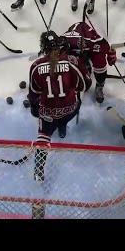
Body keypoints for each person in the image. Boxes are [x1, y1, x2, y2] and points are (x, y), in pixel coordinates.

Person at [28, 31, 91, 180]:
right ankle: (62, 126)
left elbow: (33, 94)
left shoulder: (36, 66)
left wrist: (34, 108)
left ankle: (38, 170)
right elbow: (85, 86)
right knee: (74, 104)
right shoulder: (72, 61)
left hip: (48, 113)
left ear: (43, 47)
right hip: (70, 109)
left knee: (43, 134)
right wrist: (82, 64)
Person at [62, 21, 117, 103]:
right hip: (75, 47)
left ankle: (100, 85)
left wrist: (111, 56)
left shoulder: (92, 41)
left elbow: (105, 46)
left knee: (99, 60)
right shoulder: (63, 41)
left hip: (89, 45)